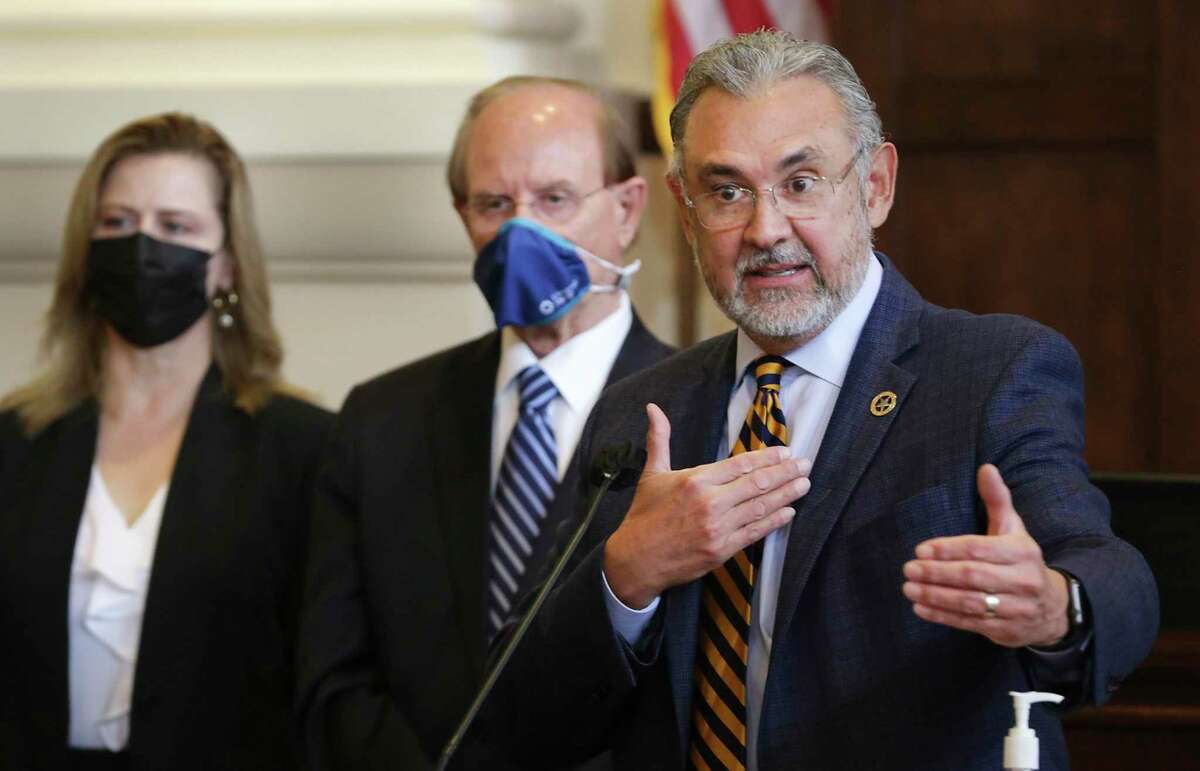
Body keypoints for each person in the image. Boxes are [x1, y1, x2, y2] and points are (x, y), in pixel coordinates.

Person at [481, 32, 1159, 771]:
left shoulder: (991, 371)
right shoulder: (642, 413)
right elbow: (532, 719)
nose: (766, 229)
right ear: (684, 207)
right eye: (728, 191)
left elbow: (1112, 577)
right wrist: (627, 575)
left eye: (800, 183)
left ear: (875, 186)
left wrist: (1056, 605)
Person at [297, 76, 675, 770]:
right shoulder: (380, 421)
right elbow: (333, 682)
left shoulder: (697, 415)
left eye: (554, 199)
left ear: (626, 210)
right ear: (461, 215)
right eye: (494, 204)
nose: (519, 232)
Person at [0, 113, 333, 771]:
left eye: (175, 227)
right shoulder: (16, 442)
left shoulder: (301, 448)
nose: (142, 247)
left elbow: (319, 682)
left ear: (226, 267)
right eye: (118, 223)